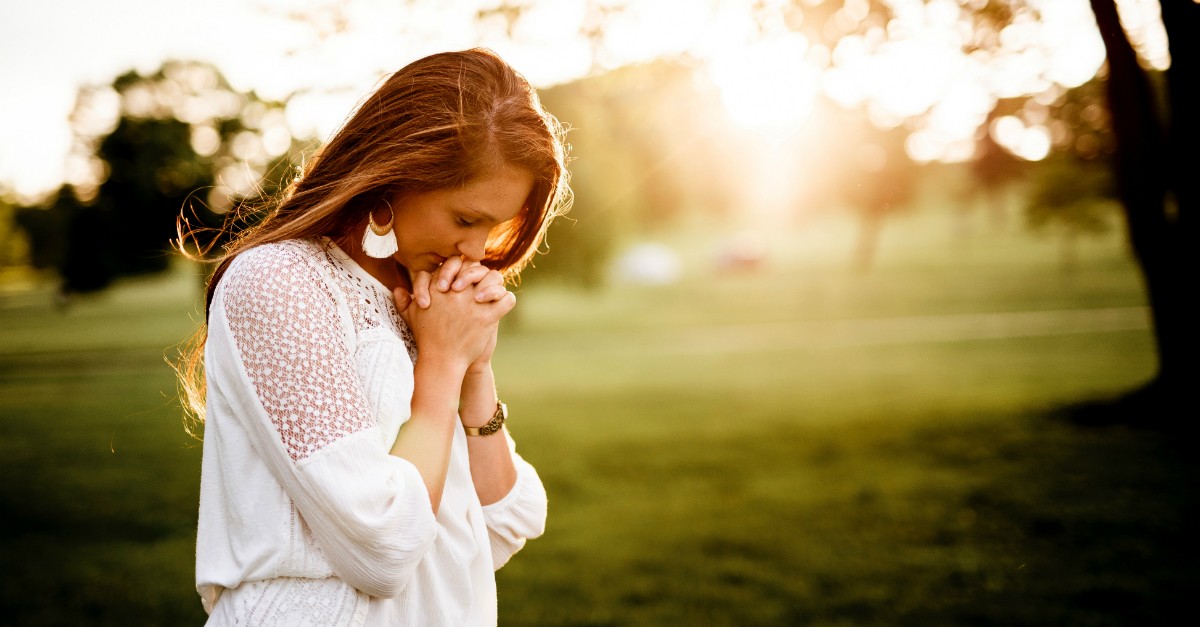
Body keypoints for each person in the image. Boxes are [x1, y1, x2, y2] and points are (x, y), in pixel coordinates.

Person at [174, 48, 571, 626]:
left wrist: (473, 368)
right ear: (396, 176)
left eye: (493, 226)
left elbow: (501, 524)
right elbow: (382, 547)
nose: (477, 251)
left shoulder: (423, 297)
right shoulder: (282, 283)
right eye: (465, 219)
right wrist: (439, 371)